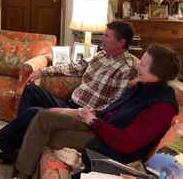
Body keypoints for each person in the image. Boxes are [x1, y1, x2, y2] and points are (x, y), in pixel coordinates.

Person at [13, 43, 181, 179]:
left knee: (49, 135)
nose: (138, 67)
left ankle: (22, 174)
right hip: (100, 124)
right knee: (43, 117)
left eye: (143, 64)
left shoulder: (162, 107)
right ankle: (21, 172)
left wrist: (94, 122)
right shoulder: (143, 86)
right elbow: (118, 110)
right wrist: (90, 114)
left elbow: (126, 143)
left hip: (108, 144)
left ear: (157, 73)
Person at [0, 19, 137, 162]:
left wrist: (79, 112)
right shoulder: (101, 55)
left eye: (106, 36)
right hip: (70, 102)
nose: (102, 38)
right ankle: (18, 144)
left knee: (35, 112)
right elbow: (76, 67)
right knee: (30, 90)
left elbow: (112, 106)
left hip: (81, 115)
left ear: (121, 42)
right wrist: (43, 71)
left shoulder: (126, 67)